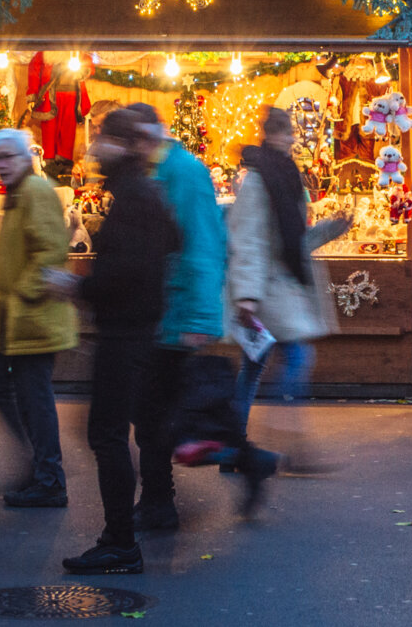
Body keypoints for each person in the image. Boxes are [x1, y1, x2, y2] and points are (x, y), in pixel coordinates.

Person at [59, 109, 181, 575]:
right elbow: (171, 241)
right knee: (115, 433)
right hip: (138, 331)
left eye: (101, 139)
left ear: (122, 143)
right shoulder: (140, 191)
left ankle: (120, 541)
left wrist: (75, 286)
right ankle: (123, 534)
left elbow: (126, 272)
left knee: (106, 435)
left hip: (125, 333)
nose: (92, 149)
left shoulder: (133, 196)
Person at [127, 103, 230, 532]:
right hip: (161, 312)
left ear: (145, 137)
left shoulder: (182, 172)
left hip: (175, 313)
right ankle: (158, 498)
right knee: (150, 412)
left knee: (151, 413)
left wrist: (199, 317)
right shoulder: (161, 170)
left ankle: (159, 501)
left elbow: (204, 242)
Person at [229, 108, 353, 465]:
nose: (291, 139)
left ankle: (236, 444)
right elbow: (249, 237)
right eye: (285, 133)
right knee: (297, 357)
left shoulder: (282, 174)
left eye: (291, 133)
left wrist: (329, 229)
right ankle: (289, 444)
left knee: (254, 367)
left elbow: (293, 237)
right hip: (269, 289)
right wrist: (248, 296)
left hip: (279, 287)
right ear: (272, 135)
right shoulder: (259, 179)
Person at [0, 128, 75, 509]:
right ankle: (39, 469)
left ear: (25, 157)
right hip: (16, 318)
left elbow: (51, 252)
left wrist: (22, 292)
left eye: (6, 157)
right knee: (12, 391)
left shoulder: (35, 192)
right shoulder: (20, 193)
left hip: (33, 318)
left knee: (33, 398)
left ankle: (48, 476)